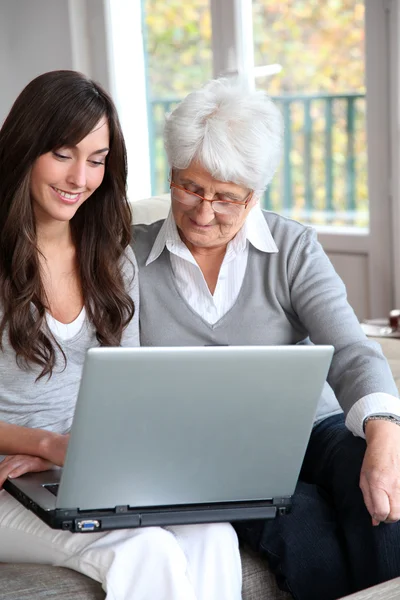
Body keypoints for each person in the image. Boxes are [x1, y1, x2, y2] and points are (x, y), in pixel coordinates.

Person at [132, 78, 400, 600]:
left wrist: (385, 437)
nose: (204, 212)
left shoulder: (293, 247)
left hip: (311, 428)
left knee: (380, 496)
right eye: (190, 188)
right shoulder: (129, 256)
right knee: (303, 531)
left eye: (227, 198)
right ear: (170, 174)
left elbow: (350, 351)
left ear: (254, 195)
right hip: (209, 451)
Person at [0, 71, 242, 600]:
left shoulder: (111, 260)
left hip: (90, 469)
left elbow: (126, 391)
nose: (80, 178)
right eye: (63, 154)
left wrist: (89, 452)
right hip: (11, 479)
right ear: (26, 149)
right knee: (144, 551)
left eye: (97, 159)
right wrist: (47, 445)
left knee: (213, 534)